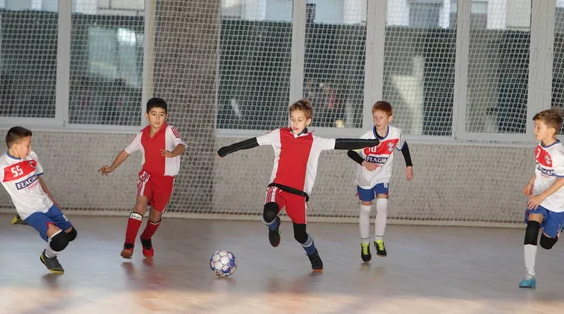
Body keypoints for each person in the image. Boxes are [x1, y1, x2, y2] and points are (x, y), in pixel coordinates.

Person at [217, 99, 378, 272]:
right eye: (292, 119)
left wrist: (371, 143)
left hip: (299, 195)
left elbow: (342, 143)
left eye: (299, 120)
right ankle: (273, 226)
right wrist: (227, 149)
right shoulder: (279, 134)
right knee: (269, 212)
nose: (295, 123)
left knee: (300, 235)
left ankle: (312, 253)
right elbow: (253, 142)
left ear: (308, 121)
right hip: (277, 187)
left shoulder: (315, 141)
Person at [98, 98, 186, 259]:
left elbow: (181, 145)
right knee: (139, 206)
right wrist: (112, 167)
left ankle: (146, 238)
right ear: (147, 115)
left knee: (155, 215)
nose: (157, 118)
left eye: (161, 115)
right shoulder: (141, 135)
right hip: (147, 177)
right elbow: (125, 152)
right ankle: (128, 245)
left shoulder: (170, 131)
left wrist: (172, 153)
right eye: (153, 114)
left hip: (166, 181)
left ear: (166, 116)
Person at [0, 127, 77, 273]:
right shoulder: (0, 166)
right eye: (27, 144)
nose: (30, 148)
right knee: (60, 240)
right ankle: (48, 256)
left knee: (71, 235)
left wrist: (51, 197)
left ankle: (41, 229)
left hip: (46, 203)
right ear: (15, 146)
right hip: (30, 211)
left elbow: (37, 178)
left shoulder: (31, 156)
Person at [347, 101, 413, 262]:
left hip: (383, 175)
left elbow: (403, 146)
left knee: (383, 205)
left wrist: (409, 165)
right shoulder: (366, 137)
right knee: (366, 211)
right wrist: (365, 163)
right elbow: (350, 152)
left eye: (381, 117)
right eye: (375, 117)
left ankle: (379, 240)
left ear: (390, 118)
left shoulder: (396, 133)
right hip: (366, 177)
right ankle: (364, 244)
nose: (377, 121)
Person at [520, 108, 564, 289]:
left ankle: (558, 229)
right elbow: (540, 167)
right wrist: (531, 182)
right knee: (531, 229)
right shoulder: (541, 147)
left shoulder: (557, 155)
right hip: (541, 196)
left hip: (558, 201)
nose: (534, 130)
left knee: (546, 243)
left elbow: (562, 180)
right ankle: (529, 275)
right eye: (534, 126)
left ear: (551, 131)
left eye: (538, 127)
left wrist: (540, 196)